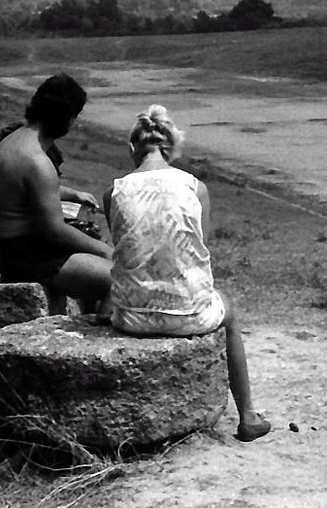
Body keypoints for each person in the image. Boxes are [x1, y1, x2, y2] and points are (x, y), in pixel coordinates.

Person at [102, 105, 272, 443]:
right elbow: (198, 250)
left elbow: (126, 248)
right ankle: (248, 415)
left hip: (131, 317)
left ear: (132, 149)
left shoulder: (115, 191)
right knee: (231, 314)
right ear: (171, 149)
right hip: (189, 314)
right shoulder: (196, 188)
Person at [0, 74, 111, 307]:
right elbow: (54, 231)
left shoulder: (11, 139)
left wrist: (73, 195)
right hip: (29, 258)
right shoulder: (37, 161)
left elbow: (29, 191)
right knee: (121, 277)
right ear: (66, 117)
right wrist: (105, 251)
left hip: (13, 250)